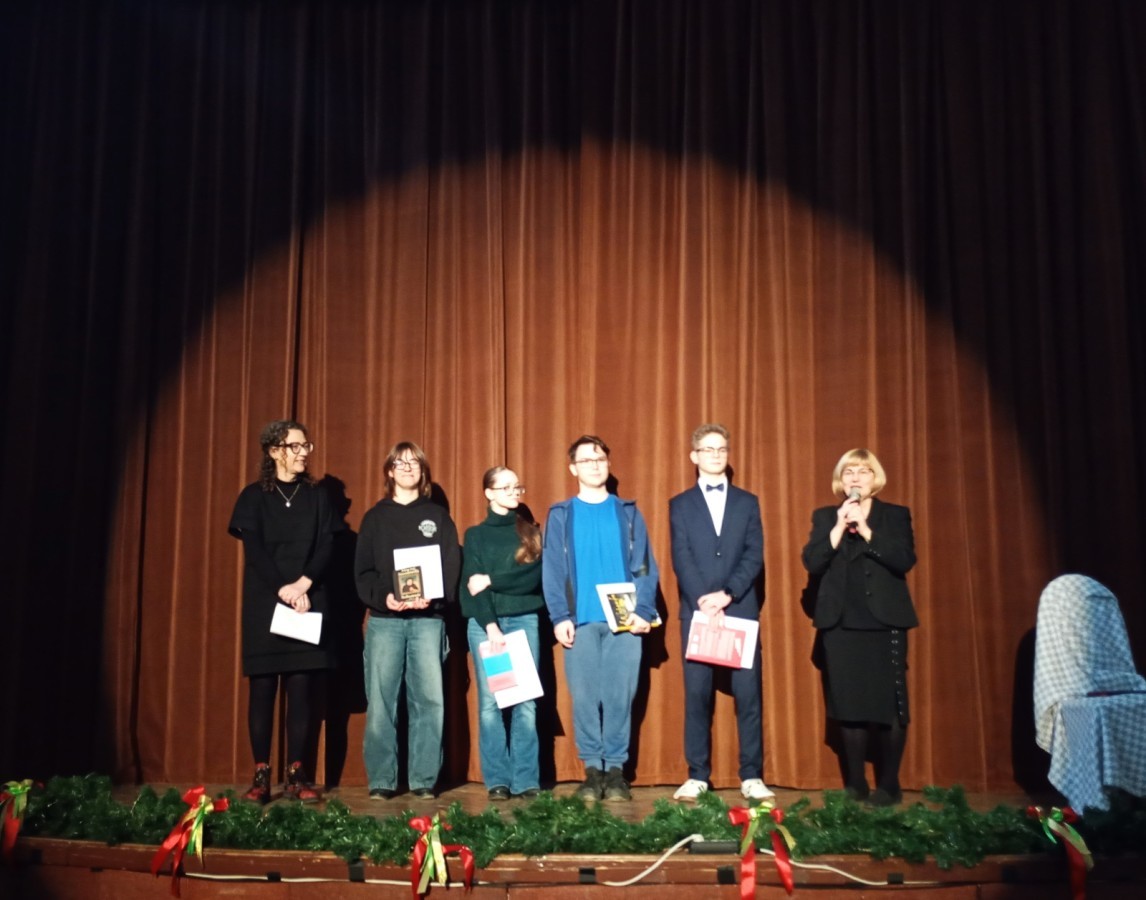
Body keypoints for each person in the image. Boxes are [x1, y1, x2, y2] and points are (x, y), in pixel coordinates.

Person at [228, 419, 340, 803]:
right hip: (266, 601)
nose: (304, 452)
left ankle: (296, 773)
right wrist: (283, 589)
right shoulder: (252, 497)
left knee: (301, 687)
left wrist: (303, 585)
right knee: (263, 688)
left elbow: (327, 545)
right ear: (274, 451)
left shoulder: (318, 497)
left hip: (308, 599)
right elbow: (255, 551)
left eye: (307, 445)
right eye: (296, 446)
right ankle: (261, 774)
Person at [542, 435, 659, 802]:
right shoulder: (561, 515)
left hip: (623, 621)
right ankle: (593, 771)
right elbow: (553, 569)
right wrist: (559, 616)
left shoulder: (628, 512)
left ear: (608, 464)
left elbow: (644, 565)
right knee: (585, 698)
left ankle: (616, 772)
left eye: (600, 458)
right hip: (580, 621)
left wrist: (643, 610)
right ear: (573, 468)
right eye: (586, 460)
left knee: (620, 697)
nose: (594, 465)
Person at [801, 448, 918, 806]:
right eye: (849, 472)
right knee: (848, 706)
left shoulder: (894, 515)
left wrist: (866, 531)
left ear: (875, 478)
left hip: (885, 623)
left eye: (863, 472)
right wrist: (839, 526)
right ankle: (855, 783)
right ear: (841, 480)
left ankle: (889, 784)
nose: (855, 478)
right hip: (841, 624)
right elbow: (812, 562)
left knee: (888, 706)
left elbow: (904, 559)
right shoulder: (826, 517)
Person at [669, 424, 771, 802]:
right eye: (708, 449)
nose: (715, 455)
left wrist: (728, 594)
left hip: (739, 609)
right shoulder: (679, 504)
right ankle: (697, 774)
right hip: (697, 613)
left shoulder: (748, 502)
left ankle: (751, 775)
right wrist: (704, 600)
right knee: (697, 695)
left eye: (721, 449)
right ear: (694, 456)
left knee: (748, 696)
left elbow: (754, 554)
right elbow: (681, 557)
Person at [354, 441, 460, 800]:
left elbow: (451, 568)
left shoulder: (438, 517)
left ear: (423, 471)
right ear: (389, 471)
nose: (408, 467)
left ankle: (423, 779)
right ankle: (382, 780)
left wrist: (435, 597)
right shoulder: (375, 518)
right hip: (385, 621)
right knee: (382, 701)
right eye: (400, 463)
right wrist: (384, 597)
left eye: (414, 462)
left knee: (429, 700)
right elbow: (363, 572)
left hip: (428, 620)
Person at [461, 467, 544, 800]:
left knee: (525, 702)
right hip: (487, 624)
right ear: (489, 493)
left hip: (524, 621)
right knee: (491, 703)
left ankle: (526, 780)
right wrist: (491, 626)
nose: (513, 492)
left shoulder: (530, 532)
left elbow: (531, 578)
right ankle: (498, 780)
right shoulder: (475, 535)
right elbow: (472, 585)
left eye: (516, 487)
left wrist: (493, 580)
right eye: (505, 487)